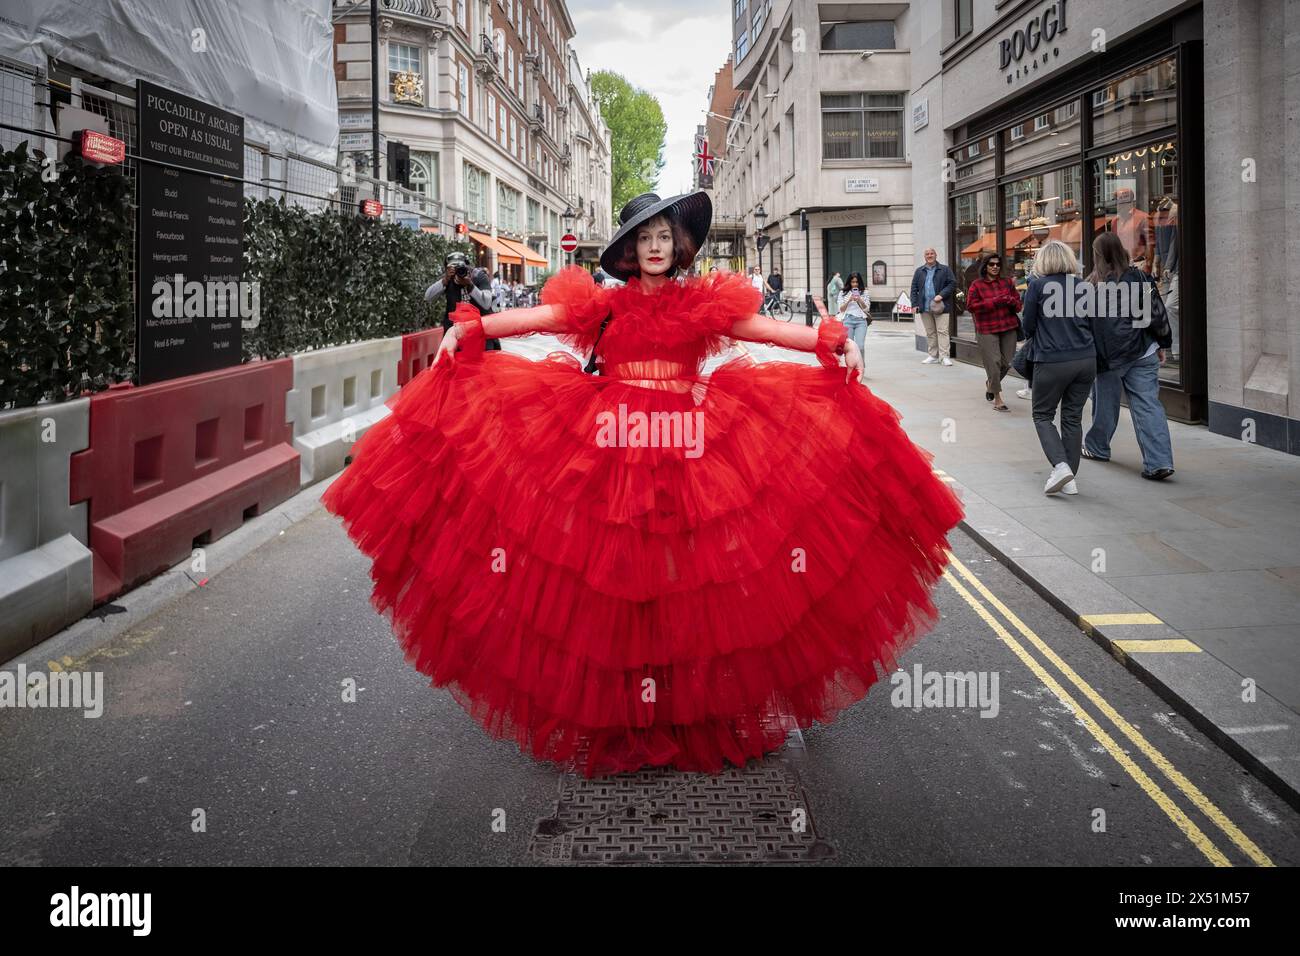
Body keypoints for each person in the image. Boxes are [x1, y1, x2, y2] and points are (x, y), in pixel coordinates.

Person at [321, 189, 963, 777]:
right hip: (615, 447)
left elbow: (762, 330)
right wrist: (469, 328)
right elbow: (540, 318)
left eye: (665, 236)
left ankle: (689, 708)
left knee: (688, 578)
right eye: (643, 238)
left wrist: (830, 340)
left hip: (689, 451)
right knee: (622, 583)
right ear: (627, 250)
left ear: (678, 245)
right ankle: (626, 709)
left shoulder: (701, 304)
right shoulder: (604, 305)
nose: (655, 246)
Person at [1083, 232, 1175, 480]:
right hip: (1142, 351)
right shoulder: (1140, 277)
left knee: (1105, 406)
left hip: (1108, 357)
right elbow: (1155, 314)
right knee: (1148, 405)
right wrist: (1162, 343)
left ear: (1098, 255)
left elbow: (1086, 325)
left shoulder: (1092, 284)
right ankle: (1159, 462)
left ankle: (1097, 448)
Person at [1020, 239, 1095, 496]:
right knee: (1072, 418)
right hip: (1086, 359)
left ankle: (1061, 466)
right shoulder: (1084, 286)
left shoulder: (1037, 286)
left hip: (1051, 359)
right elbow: (1094, 324)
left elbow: (1027, 327)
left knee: (1042, 415)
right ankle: (1070, 478)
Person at [965, 253, 1022, 411]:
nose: (995, 267)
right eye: (991, 264)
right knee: (994, 363)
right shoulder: (977, 285)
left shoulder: (1007, 283)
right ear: (985, 266)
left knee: (1007, 363)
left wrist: (1010, 300)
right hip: (987, 329)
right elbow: (970, 306)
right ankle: (998, 398)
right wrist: (994, 302)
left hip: (1008, 327)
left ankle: (990, 384)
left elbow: (1018, 305)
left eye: (997, 264)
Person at [910, 248, 956, 365]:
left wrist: (941, 295)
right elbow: (914, 289)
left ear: (936, 255)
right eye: (927, 254)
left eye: (932, 253)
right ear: (924, 257)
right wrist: (914, 304)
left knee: (943, 331)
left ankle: (944, 356)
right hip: (924, 307)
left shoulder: (944, 270)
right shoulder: (919, 271)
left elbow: (952, 284)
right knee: (930, 332)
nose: (929, 255)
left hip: (941, 307)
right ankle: (933, 355)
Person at [838, 271, 871, 362]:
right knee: (850, 347)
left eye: (856, 282)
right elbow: (840, 309)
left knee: (860, 346)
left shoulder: (864, 292)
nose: (855, 284)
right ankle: (851, 366)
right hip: (847, 321)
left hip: (861, 321)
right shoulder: (843, 293)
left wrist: (860, 299)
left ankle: (860, 366)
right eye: (853, 282)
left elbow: (867, 308)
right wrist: (849, 300)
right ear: (849, 282)